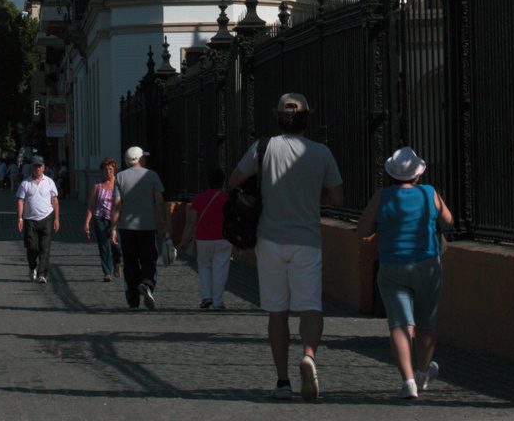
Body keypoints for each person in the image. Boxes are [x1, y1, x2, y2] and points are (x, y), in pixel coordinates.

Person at [229, 92, 344, 403]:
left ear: (279, 118)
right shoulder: (321, 153)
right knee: (310, 307)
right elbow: (337, 199)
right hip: (306, 240)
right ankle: (309, 356)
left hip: (269, 240)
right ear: (307, 118)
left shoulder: (263, 148)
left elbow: (234, 180)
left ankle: (282, 381)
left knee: (277, 312)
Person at [357, 146, 453, 400]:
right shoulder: (429, 193)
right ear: (418, 174)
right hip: (427, 266)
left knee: (400, 326)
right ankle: (422, 373)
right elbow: (450, 220)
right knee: (426, 325)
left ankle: (408, 381)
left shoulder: (381, 197)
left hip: (392, 267)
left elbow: (363, 230)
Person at [110, 146, 167, 311]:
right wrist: (162, 225)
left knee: (130, 262)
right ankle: (146, 282)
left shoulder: (120, 177)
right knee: (149, 258)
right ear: (140, 159)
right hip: (147, 226)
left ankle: (133, 300)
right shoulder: (152, 175)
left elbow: (116, 205)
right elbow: (160, 203)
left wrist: (113, 228)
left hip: (126, 227)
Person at [178, 167, 231, 310]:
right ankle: (218, 301)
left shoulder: (199, 199)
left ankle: (206, 296)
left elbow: (191, 222)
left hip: (203, 238)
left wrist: (184, 240)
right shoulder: (227, 199)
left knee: (204, 266)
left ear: (208, 182)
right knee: (220, 268)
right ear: (223, 182)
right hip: (223, 238)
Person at [16, 154, 60, 284]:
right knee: (32, 247)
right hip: (30, 220)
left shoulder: (49, 182)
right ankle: (32, 267)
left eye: (40, 166)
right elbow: (20, 201)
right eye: (35, 166)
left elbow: (55, 201)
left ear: (44, 167)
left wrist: (56, 219)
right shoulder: (25, 183)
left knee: (44, 248)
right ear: (31, 167)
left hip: (46, 218)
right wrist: (19, 218)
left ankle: (42, 274)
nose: (38, 169)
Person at [84, 157, 123, 281]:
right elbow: (92, 204)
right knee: (104, 245)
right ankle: (107, 272)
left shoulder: (119, 184)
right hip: (100, 218)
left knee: (117, 245)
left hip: (115, 219)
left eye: (110, 170)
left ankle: (117, 262)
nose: (108, 172)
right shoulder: (98, 185)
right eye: (106, 170)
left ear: (115, 170)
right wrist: (87, 222)